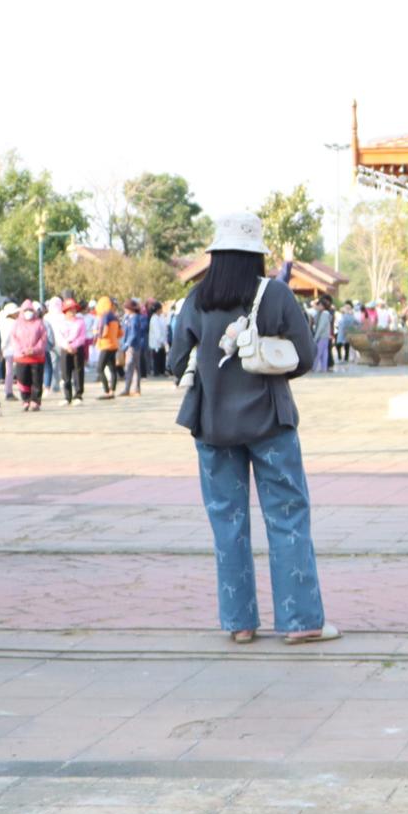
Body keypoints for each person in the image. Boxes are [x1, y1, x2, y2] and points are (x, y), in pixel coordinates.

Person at [170, 214, 330, 645]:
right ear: (257, 254)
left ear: (216, 255)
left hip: (212, 426)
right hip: (270, 423)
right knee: (288, 516)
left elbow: (174, 361)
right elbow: (305, 356)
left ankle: (239, 623)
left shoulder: (196, 299)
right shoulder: (274, 294)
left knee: (227, 522)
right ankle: (302, 622)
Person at [9, 301, 50, 410]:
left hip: (37, 357)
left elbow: (43, 338)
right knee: (23, 379)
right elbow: (14, 339)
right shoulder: (17, 324)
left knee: (36, 380)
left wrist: (34, 350)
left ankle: (35, 401)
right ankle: (25, 400)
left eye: (30, 310)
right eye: (26, 310)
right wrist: (23, 350)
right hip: (21, 357)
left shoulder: (39, 323)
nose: (28, 313)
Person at [121, 300, 148, 397]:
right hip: (134, 345)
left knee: (130, 367)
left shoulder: (134, 318)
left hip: (132, 345)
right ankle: (136, 389)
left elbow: (133, 333)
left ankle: (128, 389)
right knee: (136, 368)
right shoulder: (129, 318)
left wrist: (127, 344)